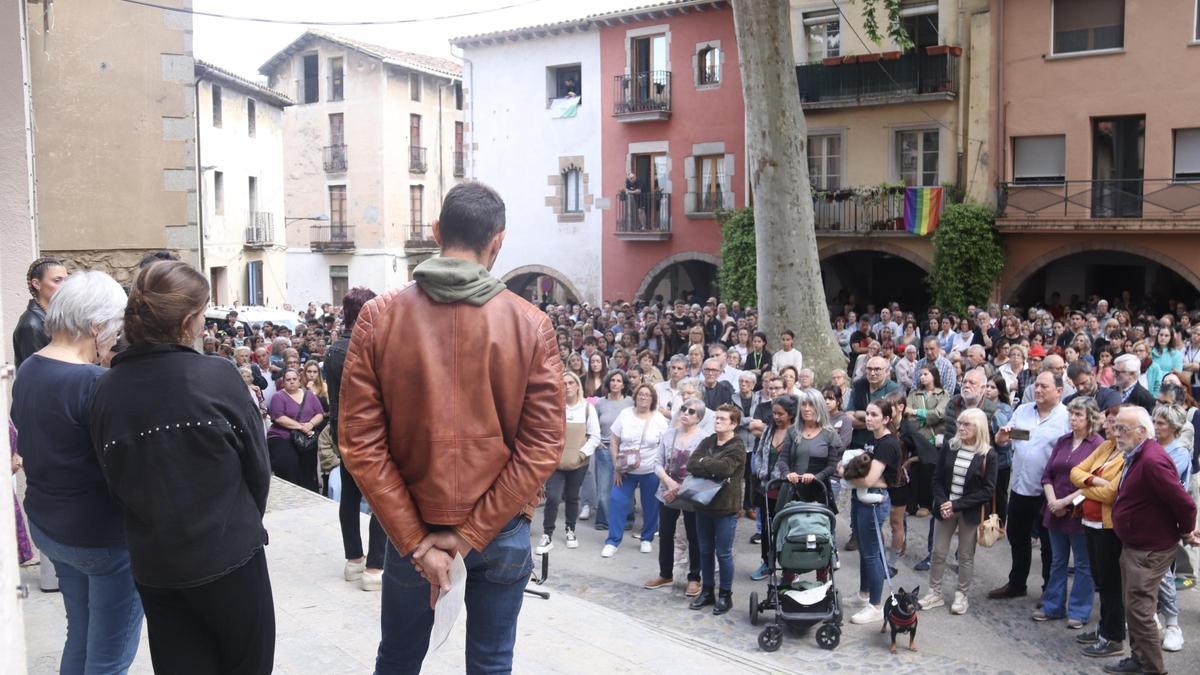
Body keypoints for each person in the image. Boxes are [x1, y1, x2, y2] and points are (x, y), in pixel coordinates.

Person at [339, 182, 564, 673]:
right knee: (491, 663)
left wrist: (420, 542)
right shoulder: (531, 324)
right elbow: (544, 445)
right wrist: (469, 535)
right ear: (498, 241)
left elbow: (359, 444)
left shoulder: (379, 318)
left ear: (437, 231)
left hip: (412, 522)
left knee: (397, 658)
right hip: (499, 529)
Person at [90, 260, 275, 674]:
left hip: (157, 564)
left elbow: (113, 479)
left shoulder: (104, 390)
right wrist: (238, 524)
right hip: (228, 559)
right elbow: (258, 469)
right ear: (190, 320)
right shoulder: (218, 376)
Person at [11, 270, 143, 673]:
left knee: (81, 634)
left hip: (51, 526)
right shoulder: (94, 381)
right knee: (109, 658)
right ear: (95, 326)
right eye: (114, 329)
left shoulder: (31, 366)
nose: (115, 340)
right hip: (100, 537)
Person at [1102, 406, 1199, 675]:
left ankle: (1154, 669)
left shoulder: (1152, 460)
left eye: (1123, 429)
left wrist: (1186, 531)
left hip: (1149, 549)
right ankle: (1139, 659)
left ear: (1142, 432)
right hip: (1135, 543)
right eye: (1116, 427)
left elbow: (1186, 504)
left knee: (1141, 612)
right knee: (1133, 609)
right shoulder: (1137, 454)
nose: (1116, 433)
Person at [324, 287, 387, 591]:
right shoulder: (371, 348)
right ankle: (375, 568)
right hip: (370, 435)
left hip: (341, 431)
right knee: (380, 499)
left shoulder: (332, 350)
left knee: (350, 495)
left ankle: (354, 561)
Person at [989, 370, 1069, 601]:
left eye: (1045, 386)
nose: (1039, 390)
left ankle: (1049, 592)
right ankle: (1017, 583)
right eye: (1037, 385)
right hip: (1020, 485)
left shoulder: (1065, 418)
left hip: (1048, 492)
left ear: (1059, 391)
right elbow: (1005, 438)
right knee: (1017, 536)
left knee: (1048, 545)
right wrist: (1002, 437)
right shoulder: (1023, 410)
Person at [918, 408, 997, 615]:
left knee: (965, 555)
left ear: (978, 427)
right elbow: (937, 479)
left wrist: (956, 505)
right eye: (960, 423)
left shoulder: (988, 454)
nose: (961, 428)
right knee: (938, 552)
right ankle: (934, 592)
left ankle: (962, 595)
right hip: (946, 507)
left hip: (968, 511)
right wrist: (944, 502)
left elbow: (987, 491)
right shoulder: (950, 447)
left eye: (967, 424)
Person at [1034, 397, 1103, 628]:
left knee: (1083, 564)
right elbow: (1048, 475)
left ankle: (1079, 611)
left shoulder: (1098, 445)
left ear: (1090, 418)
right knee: (1057, 561)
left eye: (1078, 415)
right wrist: (1054, 500)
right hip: (1055, 509)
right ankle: (1053, 606)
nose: (1073, 419)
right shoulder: (1063, 441)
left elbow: (1093, 484)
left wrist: (1066, 502)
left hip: (1080, 512)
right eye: (1071, 414)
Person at [1070, 400, 1128, 658]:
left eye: (1112, 421)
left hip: (1108, 527)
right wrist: (1091, 481)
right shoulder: (1106, 447)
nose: (1106, 425)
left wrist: (1085, 485)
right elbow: (1075, 472)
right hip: (1090, 522)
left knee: (1110, 582)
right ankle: (1104, 628)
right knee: (1100, 581)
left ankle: (1113, 637)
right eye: (1106, 420)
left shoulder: (1127, 454)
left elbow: (1111, 493)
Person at [684, 404, 746, 615]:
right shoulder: (708, 441)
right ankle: (707, 590)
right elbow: (692, 463)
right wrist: (711, 466)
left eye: (722, 419)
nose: (717, 421)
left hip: (726, 508)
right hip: (703, 504)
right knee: (705, 550)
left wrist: (706, 463)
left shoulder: (737, 446)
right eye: (716, 418)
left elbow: (726, 468)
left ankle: (725, 595)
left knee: (724, 553)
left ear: (734, 424)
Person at [643, 398, 707, 597]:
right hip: (667, 491)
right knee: (666, 533)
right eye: (684, 409)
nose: (686, 413)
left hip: (690, 493)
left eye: (691, 411)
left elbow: (702, 470)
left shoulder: (704, 439)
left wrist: (679, 488)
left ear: (699, 418)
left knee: (694, 536)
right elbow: (657, 462)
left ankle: (694, 577)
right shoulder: (669, 434)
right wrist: (669, 483)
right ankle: (665, 573)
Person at [847, 398, 903, 625]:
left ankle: (876, 604)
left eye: (874, 415)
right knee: (865, 549)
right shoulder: (875, 439)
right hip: (862, 498)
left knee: (872, 553)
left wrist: (846, 474)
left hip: (875, 503)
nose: (868, 418)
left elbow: (870, 478)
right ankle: (864, 594)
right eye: (867, 414)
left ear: (887, 419)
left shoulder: (888, 444)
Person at [603, 383, 670, 557]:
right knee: (617, 501)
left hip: (650, 470)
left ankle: (647, 538)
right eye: (641, 394)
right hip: (625, 471)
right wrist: (617, 467)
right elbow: (614, 441)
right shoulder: (625, 414)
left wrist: (662, 472)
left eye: (648, 395)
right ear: (635, 396)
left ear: (653, 399)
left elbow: (665, 447)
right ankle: (612, 541)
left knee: (651, 505)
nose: (643, 397)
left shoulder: (659, 419)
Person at [537, 372, 599, 554]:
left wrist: (581, 454)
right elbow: (546, 433)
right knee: (553, 497)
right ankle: (547, 534)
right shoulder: (555, 408)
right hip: (556, 463)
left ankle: (570, 530)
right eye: (564, 383)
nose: (568, 386)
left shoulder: (587, 408)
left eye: (571, 382)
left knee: (572, 498)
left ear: (578, 385)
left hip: (578, 464)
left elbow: (594, 436)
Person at [750, 395, 804, 580]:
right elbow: (758, 454)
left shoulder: (798, 433)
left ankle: (790, 568)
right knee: (766, 528)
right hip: (766, 489)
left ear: (791, 414)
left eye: (780, 414)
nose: (776, 417)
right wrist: (759, 471)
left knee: (787, 530)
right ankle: (767, 562)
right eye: (774, 413)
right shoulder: (769, 430)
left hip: (787, 491)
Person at [785, 388, 845, 509]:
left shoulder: (830, 434)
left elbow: (832, 466)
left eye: (811, 404)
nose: (806, 409)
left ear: (819, 407)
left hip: (819, 491)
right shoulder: (792, 431)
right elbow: (783, 459)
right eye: (803, 404)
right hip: (792, 490)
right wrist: (787, 473)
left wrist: (816, 477)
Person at [267, 368, 325, 492]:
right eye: (288, 380)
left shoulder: (309, 395)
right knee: (289, 465)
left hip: (305, 438)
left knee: (308, 471)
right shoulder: (278, 396)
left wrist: (310, 424)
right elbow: (279, 417)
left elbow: (319, 413)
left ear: (299, 380)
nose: (292, 382)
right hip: (282, 437)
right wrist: (301, 427)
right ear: (283, 382)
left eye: (294, 379)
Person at [592, 370, 633, 531]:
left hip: (625, 450)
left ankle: (626, 519)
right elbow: (592, 425)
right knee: (603, 489)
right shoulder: (600, 403)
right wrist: (596, 442)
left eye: (619, 380)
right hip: (604, 449)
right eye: (613, 380)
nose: (615, 383)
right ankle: (604, 520)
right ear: (608, 383)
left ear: (624, 384)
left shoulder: (630, 402)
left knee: (624, 487)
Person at [13, 257, 68, 368]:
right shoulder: (30, 325)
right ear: (36, 284)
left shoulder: (55, 317)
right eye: (57, 281)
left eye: (66, 280)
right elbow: (35, 373)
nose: (65, 286)